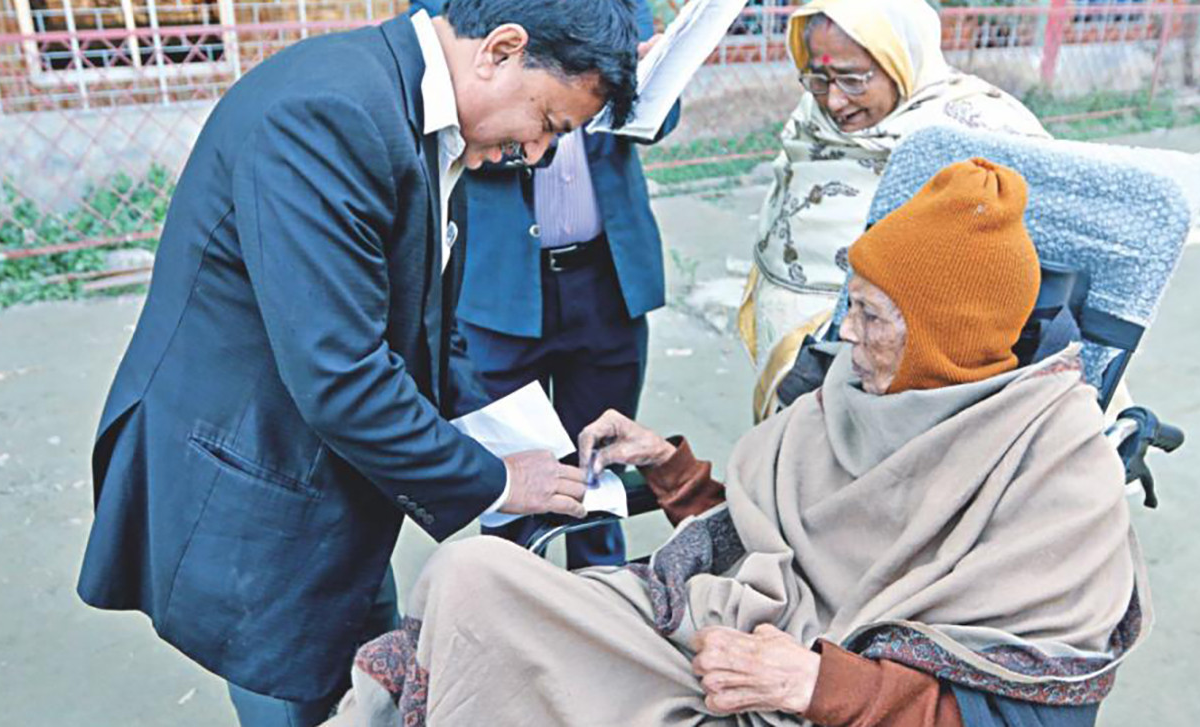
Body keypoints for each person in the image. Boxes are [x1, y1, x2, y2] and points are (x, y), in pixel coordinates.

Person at [329, 159, 1150, 726]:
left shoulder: (1058, 465)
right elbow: (779, 532)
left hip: (822, 700)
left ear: (942, 336)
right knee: (473, 577)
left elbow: (1033, 708)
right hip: (720, 641)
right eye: (851, 305)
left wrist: (822, 683)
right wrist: (675, 471)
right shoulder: (853, 390)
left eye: (871, 316)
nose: (845, 335)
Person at [75, 2, 642, 725]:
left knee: (364, 682)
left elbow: (419, 326)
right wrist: (498, 477)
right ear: (501, 50)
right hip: (259, 489)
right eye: (549, 124)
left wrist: (502, 428)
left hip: (327, 485)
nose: (534, 155)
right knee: (301, 699)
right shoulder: (330, 114)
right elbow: (341, 376)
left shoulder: (411, 111)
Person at [412, 0, 681, 567]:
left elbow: (660, 120)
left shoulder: (624, 5)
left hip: (605, 278)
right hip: (500, 284)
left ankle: (603, 604)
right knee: (515, 486)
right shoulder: (458, 10)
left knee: (602, 468)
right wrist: (542, 110)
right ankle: (518, 609)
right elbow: (446, 112)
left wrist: (653, 78)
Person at [741, 0, 1047, 421]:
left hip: (905, 387)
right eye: (817, 77)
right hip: (803, 372)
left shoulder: (978, 130)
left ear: (901, 61)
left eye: (851, 79)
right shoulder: (812, 117)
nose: (832, 100)